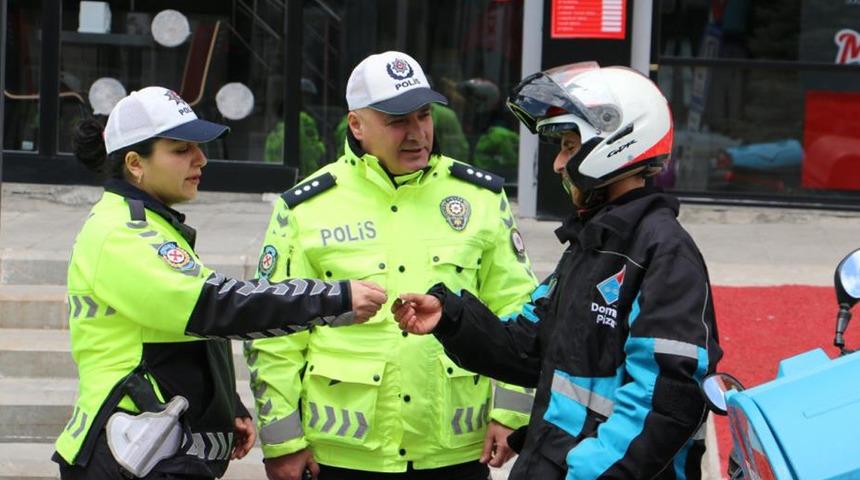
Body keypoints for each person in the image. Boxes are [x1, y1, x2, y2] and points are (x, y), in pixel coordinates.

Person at [393, 62, 723, 479]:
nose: (558, 164)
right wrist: (451, 317)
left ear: (615, 143)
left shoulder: (663, 254)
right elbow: (527, 344)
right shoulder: (592, 245)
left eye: (568, 145)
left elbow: (665, 403)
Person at [53, 86, 387, 479]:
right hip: (128, 455)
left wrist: (226, 406)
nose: (200, 159)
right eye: (181, 150)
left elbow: (180, 331)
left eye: (198, 147)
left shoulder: (152, 224)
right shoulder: (122, 232)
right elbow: (213, 307)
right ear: (135, 163)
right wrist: (334, 299)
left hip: (146, 448)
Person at [247, 51, 537, 480]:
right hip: (344, 454)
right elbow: (274, 336)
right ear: (357, 125)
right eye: (397, 120)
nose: (417, 133)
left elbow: (519, 307)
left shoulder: (479, 198)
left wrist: (512, 413)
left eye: (423, 115)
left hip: (455, 449)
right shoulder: (306, 208)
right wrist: (283, 444)